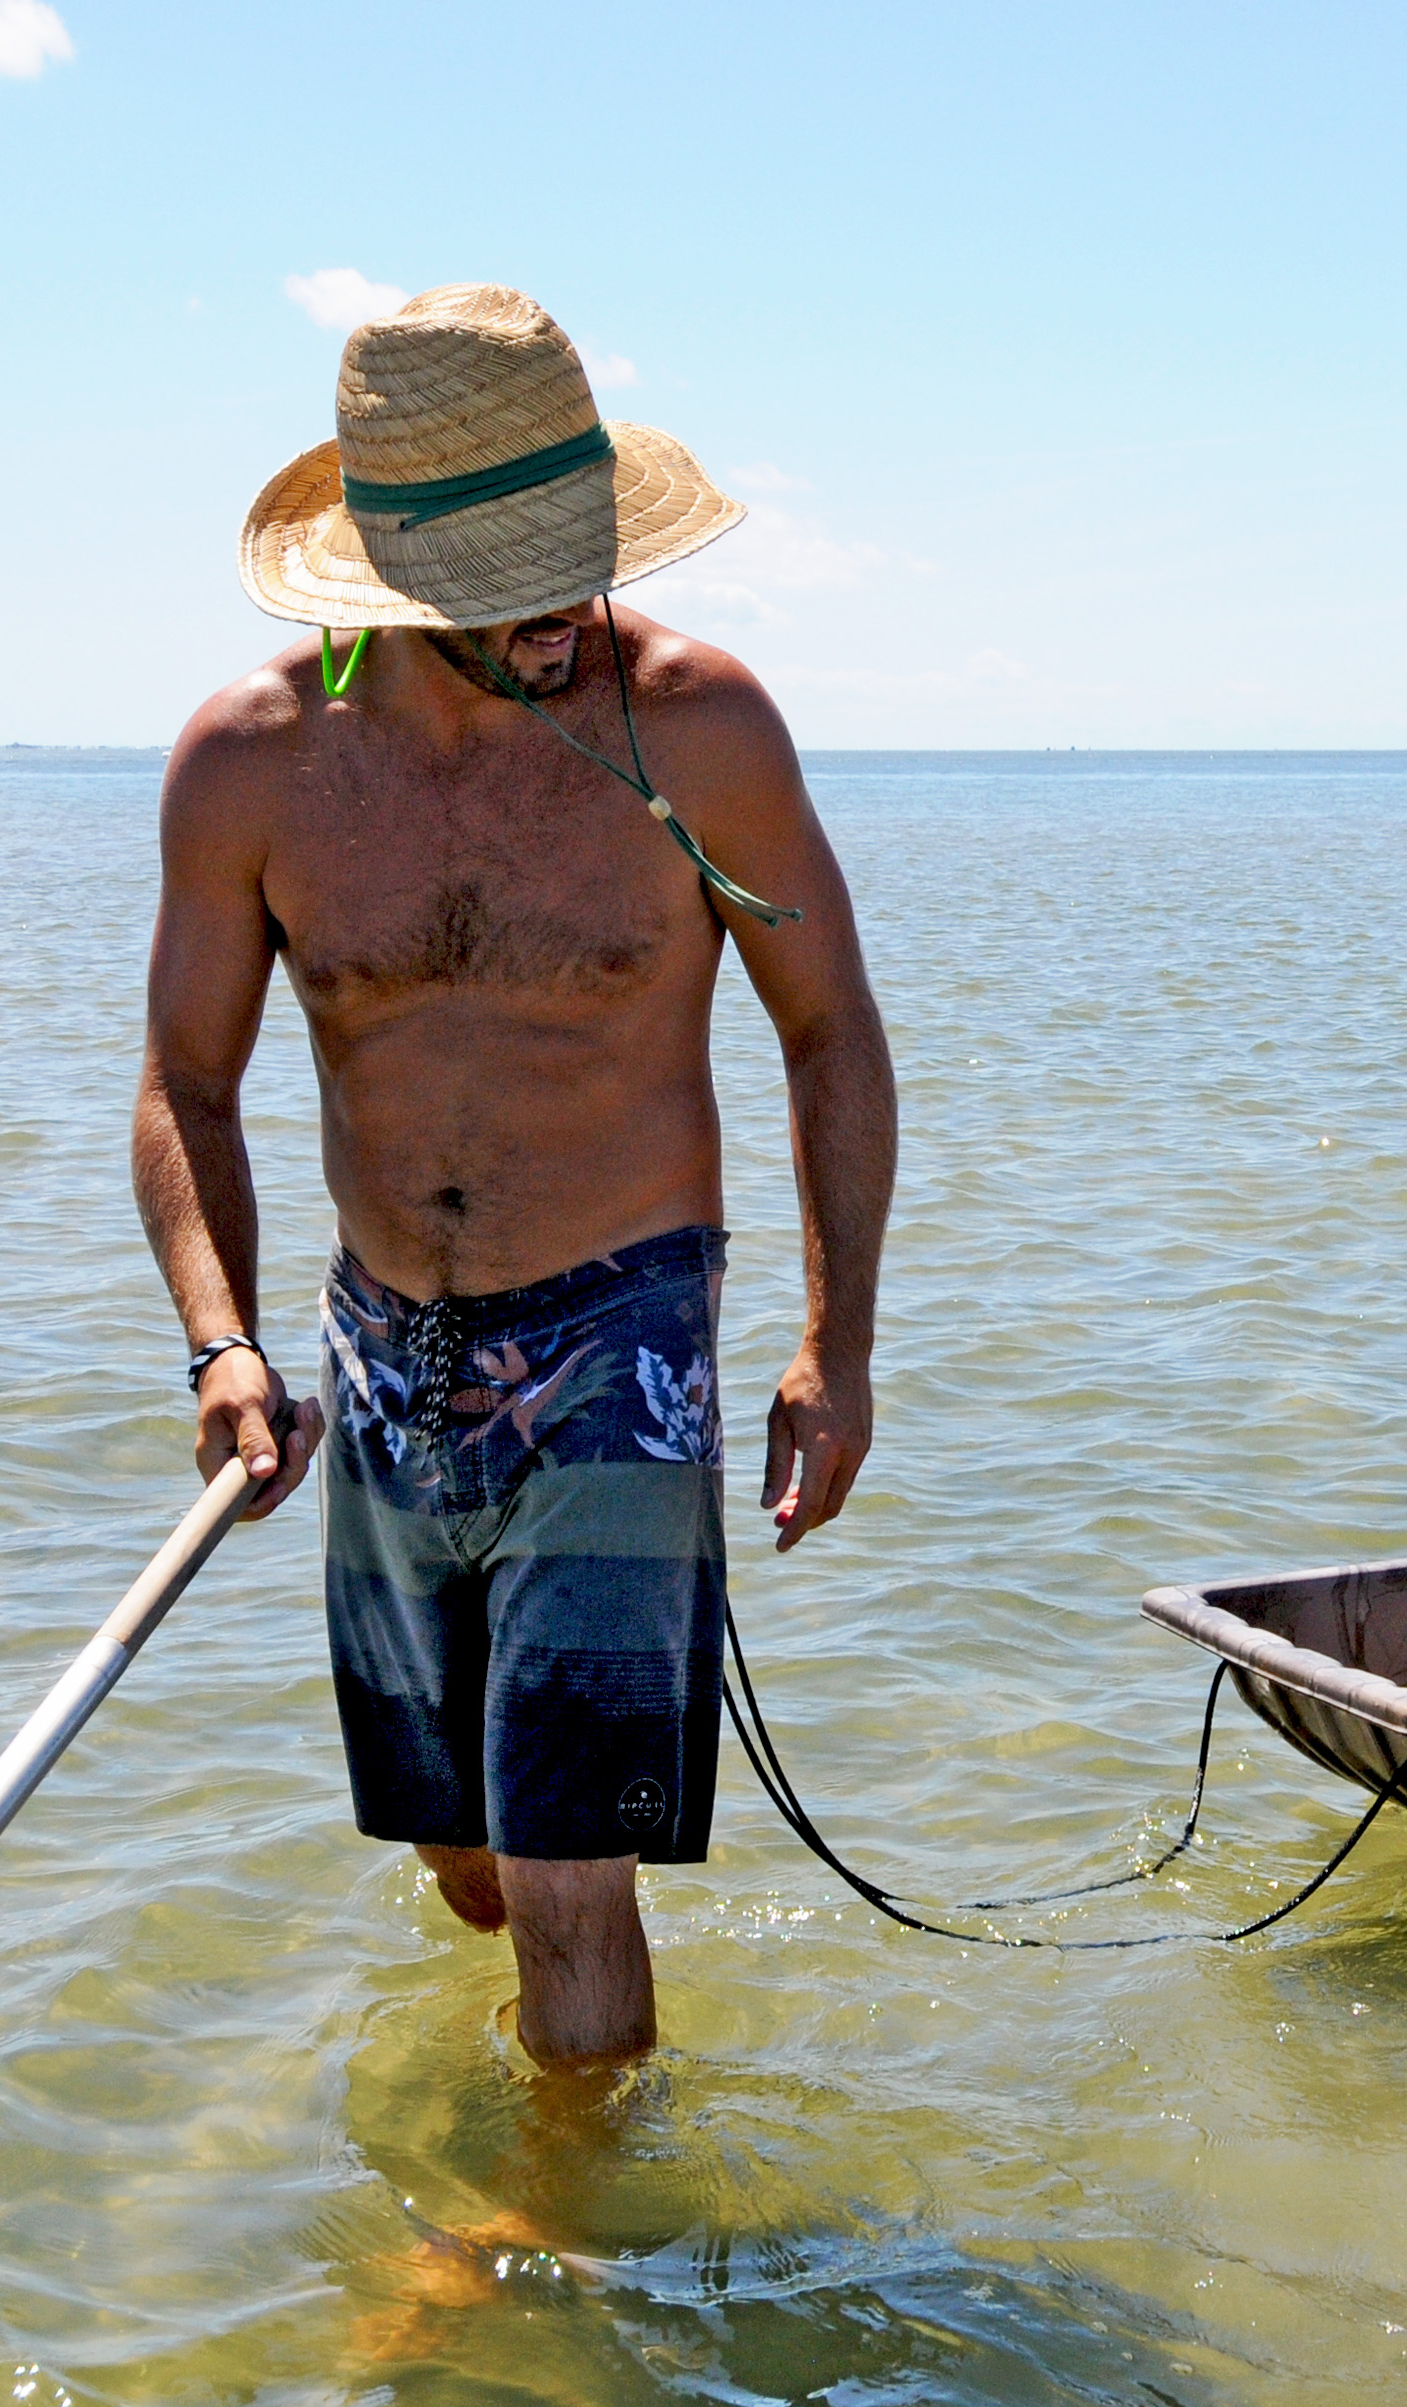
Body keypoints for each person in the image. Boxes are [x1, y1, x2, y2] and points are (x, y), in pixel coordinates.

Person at [134, 284, 898, 2069]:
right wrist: (218, 1340)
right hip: (383, 1352)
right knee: (465, 1855)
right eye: (510, 580)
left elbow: (827, 1025)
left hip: (623, 1328)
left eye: (583, 557)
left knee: (566, 1871)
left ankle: (563, 2276)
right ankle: (552, 2085)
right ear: (390, 576)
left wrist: (832, 1342)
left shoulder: (699, 730)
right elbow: (188, 1075)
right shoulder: (250, 762)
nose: (567, 607)